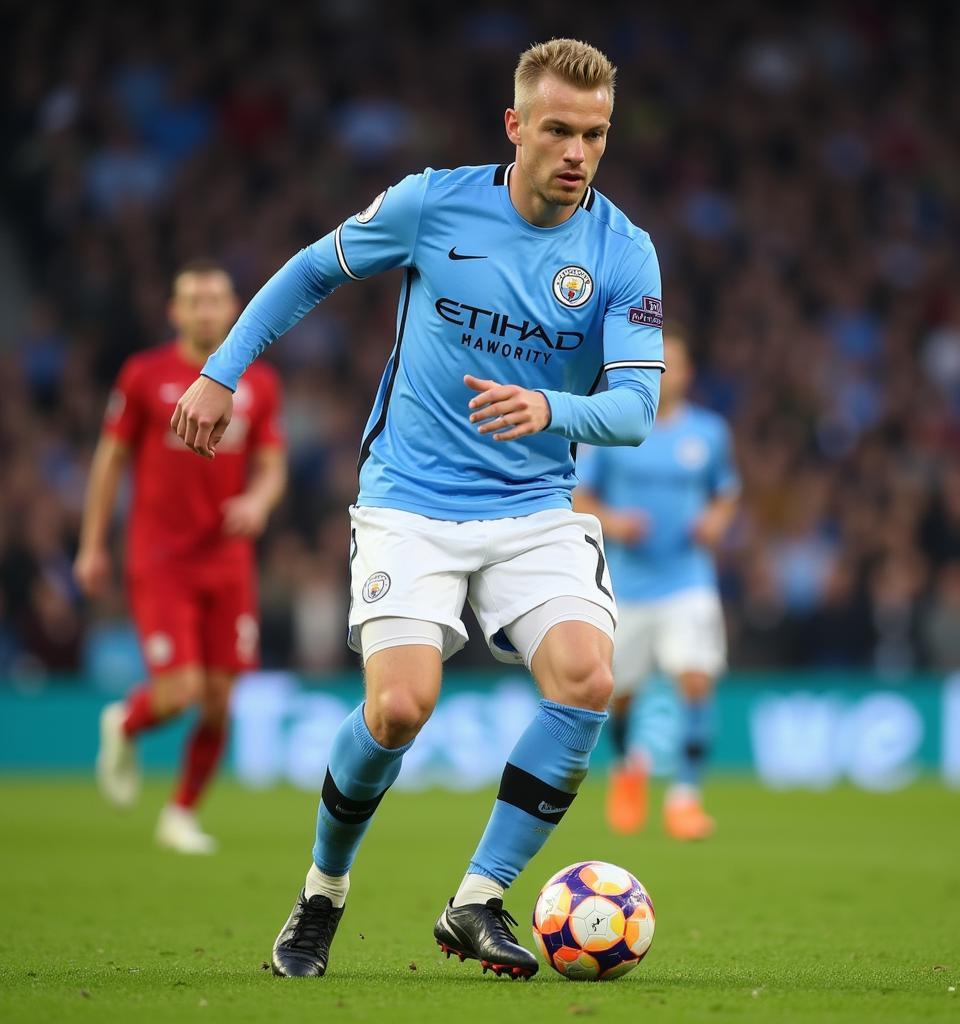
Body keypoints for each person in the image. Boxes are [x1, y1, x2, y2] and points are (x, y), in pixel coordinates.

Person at [172, 38, 664, 979]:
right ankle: (321, 895)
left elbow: (637, 408)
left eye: (594, 135)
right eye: (557, 130)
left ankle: (478, 900)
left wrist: (551, 407)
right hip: (412, 499)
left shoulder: (623, 252)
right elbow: (310, 271)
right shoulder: (433, 203)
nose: (576, 152)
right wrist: (219, 373)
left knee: (588, 679)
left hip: (535, 505)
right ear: (515, 125)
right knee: (398, 709)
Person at [74, 261, 286, 854]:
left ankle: (181, 813)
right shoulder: (144, 375)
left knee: (220, 701)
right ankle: (124, 722)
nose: (205, 309)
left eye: (215, 299)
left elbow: (272, 464)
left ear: (233, 306)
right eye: (193, 299)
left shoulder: (258, 382)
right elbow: (110, 459)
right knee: (180, 692)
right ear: (175, 312)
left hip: (229, 559)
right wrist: (91, 545)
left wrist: (259, 501)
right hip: (162, 555)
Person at [575, 327, 739, 840]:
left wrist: (716, 522)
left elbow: (726, 492)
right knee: (620, 695)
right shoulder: (614, 424)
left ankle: (686, 797)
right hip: (628, 583)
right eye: (659, 364)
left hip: (688, 577)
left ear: (688, 374)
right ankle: (627, 772)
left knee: (695, 677)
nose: (668, 373)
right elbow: (579, 496)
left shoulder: (708, 433)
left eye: (678, 364)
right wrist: (616, 522)